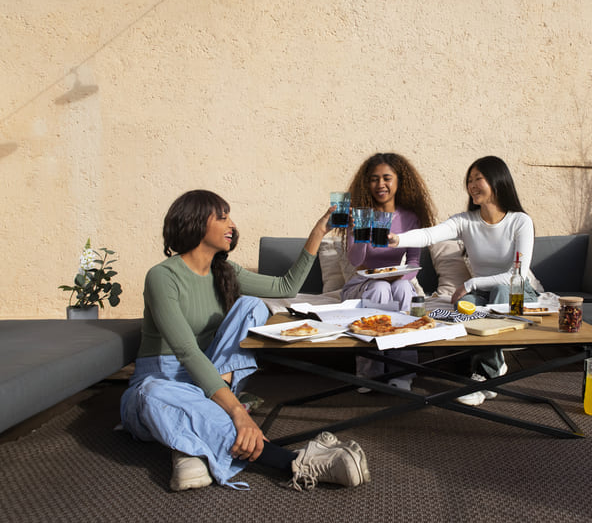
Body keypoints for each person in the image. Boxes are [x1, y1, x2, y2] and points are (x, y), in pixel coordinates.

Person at [120, 189, 370, 491]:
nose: (232, 225)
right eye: (222, 217)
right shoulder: (162, 276)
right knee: (152, 394)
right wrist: (237, 412)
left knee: (251, 305)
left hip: (212, 379)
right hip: (163, 380)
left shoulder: (224, 271)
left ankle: (194, 444)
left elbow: (286, 287)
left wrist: (318, 232)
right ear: (195, 222)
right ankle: (295, 462)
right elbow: (186, 351)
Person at [388, 156, 538, 406]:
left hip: (517, 293)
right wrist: (398, 239)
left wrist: (471, 284)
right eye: (469, 180)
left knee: (501, 292)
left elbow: (518, 276)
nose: (472, 185)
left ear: (497, 181)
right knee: (464, 305)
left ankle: (483, 378)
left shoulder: (520, 221)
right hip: (485, 295)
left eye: (478, 178)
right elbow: (430, 234)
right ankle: (494, 366)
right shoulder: (465, 221)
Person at [340, 152, 435, 391]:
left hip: (396, 281)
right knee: (380, 287)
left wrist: (399, 277)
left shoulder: (410, 218)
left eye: (386, 178)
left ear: (399, 181)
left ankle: (403, 373)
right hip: (361, 285)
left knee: (403, 287)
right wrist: (360, 232)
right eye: (374, 179)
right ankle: (369, 374)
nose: (380, 184)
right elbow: (355, 260)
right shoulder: (360, 214)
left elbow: (413, 261)